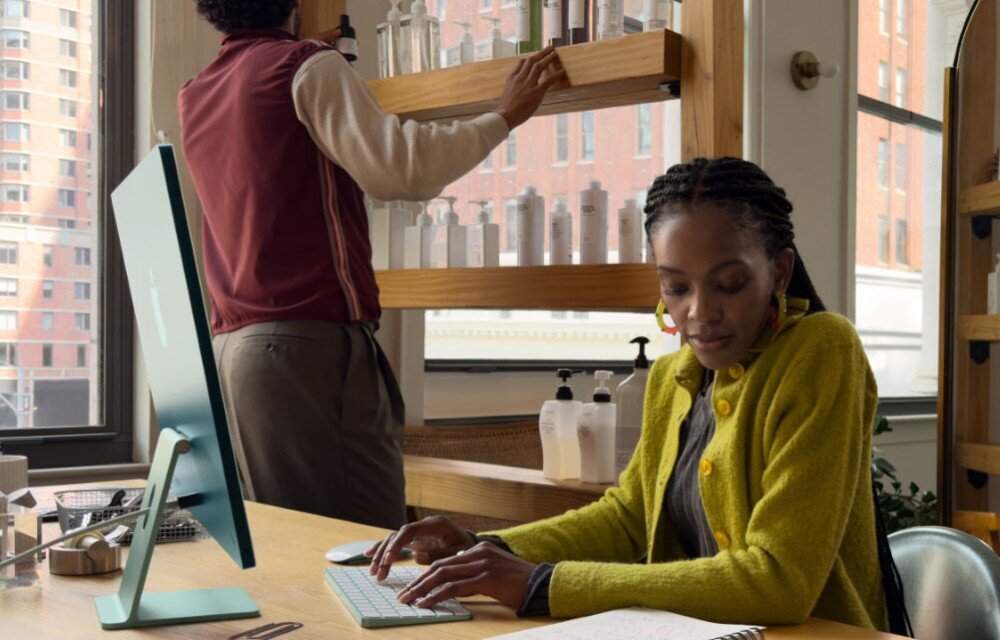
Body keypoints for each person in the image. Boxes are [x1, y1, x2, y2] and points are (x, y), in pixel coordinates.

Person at [366, 157, 890, 631]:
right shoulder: (670, 378)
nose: (699, 313)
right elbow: (628, 515)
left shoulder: (822, 351)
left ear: (779, 271)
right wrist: (488, 550)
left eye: (729, 283)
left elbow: (778, 582)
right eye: (676, 288)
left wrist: (543, 585)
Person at [178, 0, 564, 529]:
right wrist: (505, 116)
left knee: (292, 544)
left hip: (232, 352)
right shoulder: (305, 65)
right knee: (369, 552)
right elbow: (401, 170)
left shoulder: (199, 91)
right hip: (306, 347)